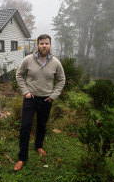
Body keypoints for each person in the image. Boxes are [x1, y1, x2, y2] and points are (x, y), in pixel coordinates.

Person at [13, 34, 66, 171]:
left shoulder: (56, 63)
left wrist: (54, 95)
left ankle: (38, 146)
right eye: (41, 43)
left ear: (50, 45)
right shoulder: (28, 60)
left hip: (46, 100)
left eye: (46, 43)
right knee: (25, 126)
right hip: (30, 99)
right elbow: (19, 75)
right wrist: (25, 91)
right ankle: (22, 158)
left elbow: (61, 80)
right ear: (37, 45)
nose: (44, 46)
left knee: (42, 126)